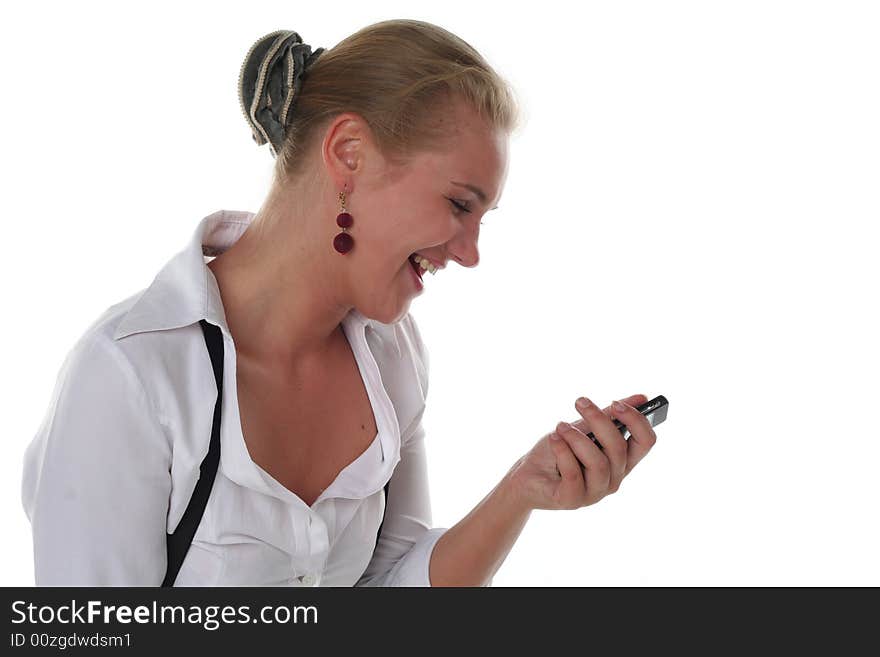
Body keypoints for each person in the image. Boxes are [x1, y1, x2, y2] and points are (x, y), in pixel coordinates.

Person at [21, 19, 657, 587]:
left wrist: (525, 489)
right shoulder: (132, 376)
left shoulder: (391, 357)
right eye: (460, 206)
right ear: (349, 152)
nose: (469, 253)